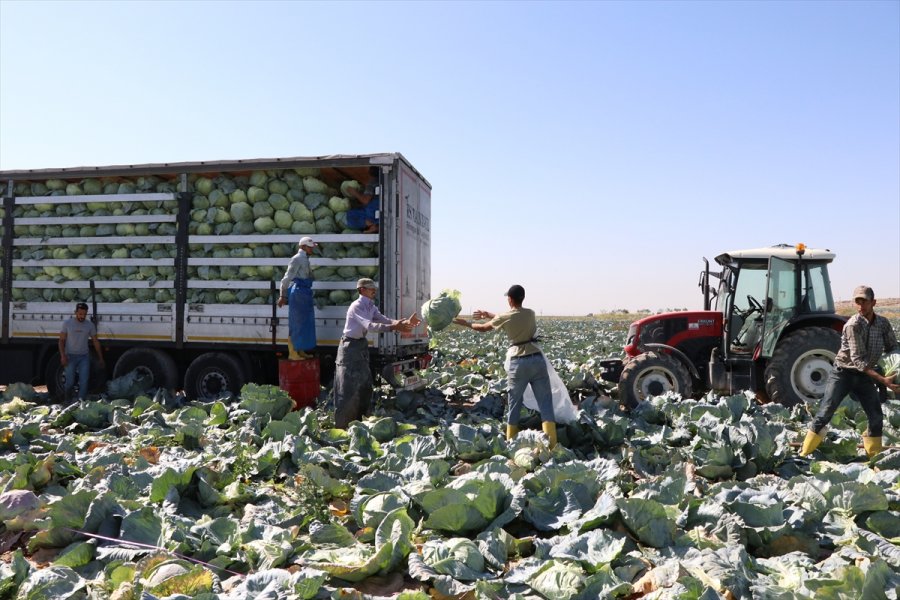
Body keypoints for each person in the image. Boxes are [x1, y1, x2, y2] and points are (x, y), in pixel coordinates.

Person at [453, 284, 558, 449]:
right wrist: (488, 314)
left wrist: (465, 323)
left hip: (519, 362)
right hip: (537, 360)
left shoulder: (506, 316)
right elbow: (510, 318)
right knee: (545, 402)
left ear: (510, 299)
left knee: (514, 402)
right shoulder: (530, 313)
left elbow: (483, 328)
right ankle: (552, 444)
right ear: (522, 298)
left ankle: (511, 442)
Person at [801, 286, 900, 458]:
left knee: (876, 417)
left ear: (873, 302)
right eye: (858, 302)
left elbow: (893, 348)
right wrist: (883, 380)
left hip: (865, 377)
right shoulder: (852, 325)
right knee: (825, 412)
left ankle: (874, 458)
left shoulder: (883, 324)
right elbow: (859, 361)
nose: (861, 305)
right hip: (843, 374)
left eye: (865, 301)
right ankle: (804, 454)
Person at [333, 278, 420, 428]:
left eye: (374, 288)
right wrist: (394, 328)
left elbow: (384, 320)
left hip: (360, 345)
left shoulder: (371, 306)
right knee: (347, 388)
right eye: (370, 288)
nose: (374, 290)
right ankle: (342, 426)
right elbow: (370, 325)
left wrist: (402, 323)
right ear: (361, 290)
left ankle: (359, 422)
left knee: (365, 384)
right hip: (349, 347)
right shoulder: (357, 306)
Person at [278, 236, 318, 360]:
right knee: (296, 323)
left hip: (305, 293)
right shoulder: (297, 259)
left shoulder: (305, 259)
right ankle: (292, 352)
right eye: (310, 247)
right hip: (299, 293)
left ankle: (300, 350)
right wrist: (282, 295)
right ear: (303, 247)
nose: (312, 249)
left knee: (304, 323)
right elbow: (286, 278)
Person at [58, 302, 105, 402]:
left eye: (84, 314)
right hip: (70, 356)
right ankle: (67, 400)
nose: (82, 316)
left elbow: (95, 342)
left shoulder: (89, 325)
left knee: (84, 381)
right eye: (80, 314)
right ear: (75, 312)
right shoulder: (67, 324)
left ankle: (80, 402)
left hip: (84, 357)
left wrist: (101, 358)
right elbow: (61, 341)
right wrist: (63, 356)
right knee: (70, 382)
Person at [345, 166, 380, 233]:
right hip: (380, 212)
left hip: (372, 213)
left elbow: (365, 201)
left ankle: (369, 223)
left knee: (350, 215)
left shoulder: (372, 183)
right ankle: (375, 226)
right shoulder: (383, 181)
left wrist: (354, 192)